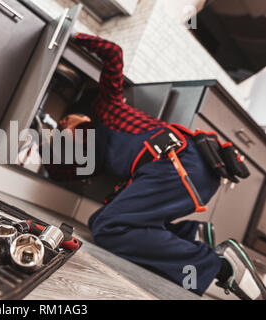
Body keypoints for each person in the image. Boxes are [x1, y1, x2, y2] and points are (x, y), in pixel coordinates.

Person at [45, 33, 266, 299]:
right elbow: (59, 173)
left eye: (68, 119)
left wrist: (73, 35)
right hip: (179, 172)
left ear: (84, 113)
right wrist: (54, 146)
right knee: (104, 220)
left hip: (180, 163)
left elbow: (113, 53)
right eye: (62, 127)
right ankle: (190, 235)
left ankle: (221, 266)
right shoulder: (94, 155)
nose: (66, 125)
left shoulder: (108, 106)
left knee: (110, 227)